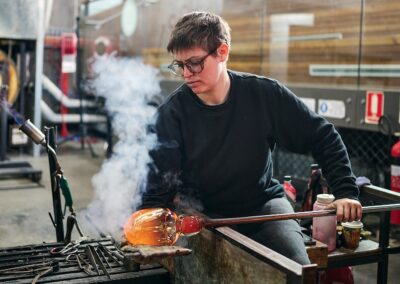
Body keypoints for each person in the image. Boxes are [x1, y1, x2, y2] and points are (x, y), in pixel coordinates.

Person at [140, 11, 362, 265]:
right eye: (180, 66)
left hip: (263, 206)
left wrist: (346, 192)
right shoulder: (171, 115)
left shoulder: (264, 95)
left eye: (194, 62)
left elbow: (323, 136)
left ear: (222, 52)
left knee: (297, 268)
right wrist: (147, 226)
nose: (187, 73)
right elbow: (157, 185)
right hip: (201, 214)